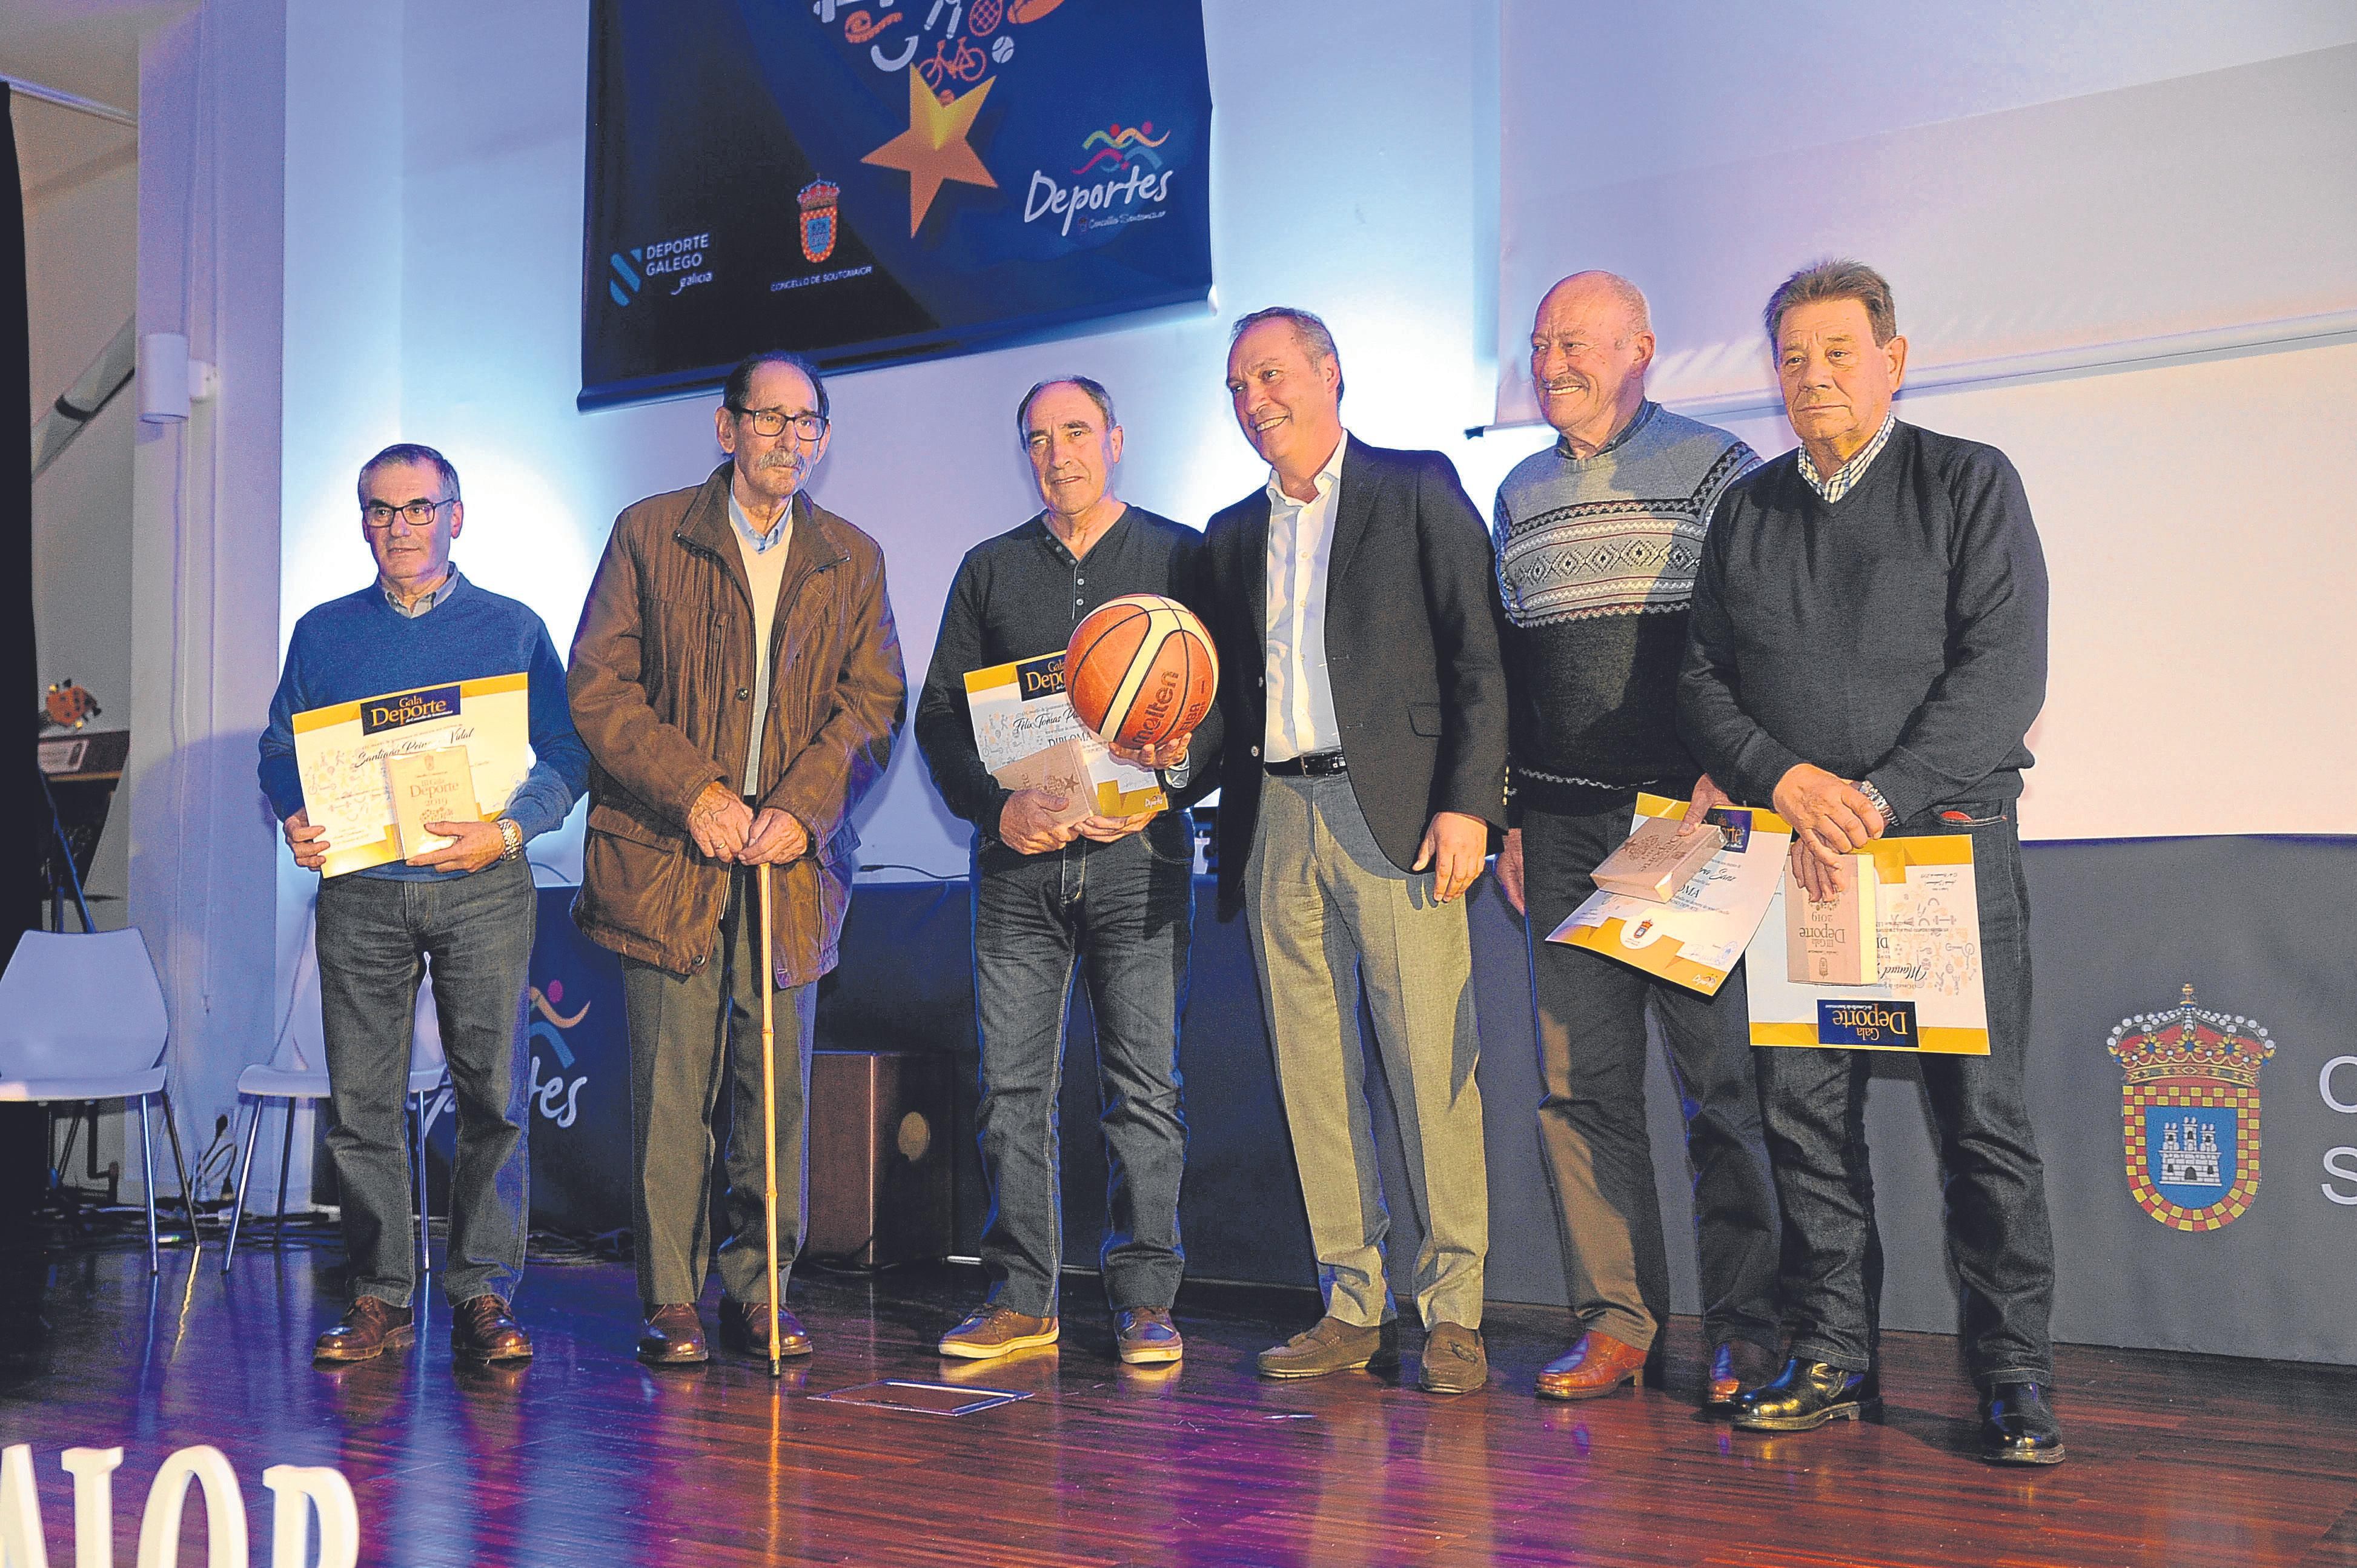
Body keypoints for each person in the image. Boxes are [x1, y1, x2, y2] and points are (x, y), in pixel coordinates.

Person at [1679, 259, 2064, 1464]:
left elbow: (2001, 674)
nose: (1811, 377)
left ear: (1892, 360)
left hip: (1939, 854)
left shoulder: (1966, 481)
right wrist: (1779, 777)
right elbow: (1697, 675)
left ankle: (2013, 1380)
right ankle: (1831, 1355)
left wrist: (1881, 796)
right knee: (1801, 1122)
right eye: (1792, 357)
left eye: (1837, 352)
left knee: (1982, 1128)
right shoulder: (1745, 512)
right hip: (1802, 864)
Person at [568, 350, 905, 1367]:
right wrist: (697, 793)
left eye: (807, 423)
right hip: (670, 856)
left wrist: (802, 810)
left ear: (824, 439)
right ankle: (672, 1296)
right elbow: (601, 690)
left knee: (777, 1090)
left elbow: (872, 703)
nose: (788, 439)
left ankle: (763, 1288)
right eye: (768, 418)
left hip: (788, 866)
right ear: (726, 429)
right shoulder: (649, 531)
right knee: (674, 1091)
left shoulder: (853, 554)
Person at [1197, 308, 1508, 1395]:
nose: (1254, 401)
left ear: (1332, 374)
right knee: (1313, 1075)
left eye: (1271, 375)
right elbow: (1215, 701)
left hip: (1403, 818)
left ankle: (1455, 1310)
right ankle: (1350, 1302)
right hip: (1274, 820)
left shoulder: (1417, 487)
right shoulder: (1229, 533)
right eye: (1237, 386)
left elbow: (1481, 656)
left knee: (1434, 1067)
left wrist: (1472, 805)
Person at [1490, 272, 1780, 1407]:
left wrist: (1734, 768)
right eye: (1541, 341)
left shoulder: (1718, 469)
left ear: (1643, 348)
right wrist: (1512, 811)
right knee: (1581, 1091)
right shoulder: (1514, 492)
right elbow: (1509, 674)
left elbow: (1758, 633)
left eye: (1579, 342)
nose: (1554, 359)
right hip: (1559, 829)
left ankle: (1748, 1330)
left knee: (1723, 1091)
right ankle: (1617, 1320)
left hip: (1685, 817)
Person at [259, 442, 589, 1366]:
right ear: (362, 520)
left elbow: (568, 754)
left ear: (456, 513)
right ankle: (380, 1297)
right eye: (378, 510)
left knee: (494, 1098)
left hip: (483, 890)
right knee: (362, 1107)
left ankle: (484, 1291)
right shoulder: (323, 633)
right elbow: (279, 745)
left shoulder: (513, 626)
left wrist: (512, 830)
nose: (397, 527)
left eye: (416, 508)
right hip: (360, 893)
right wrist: (294, 810)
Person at [914, 376, 1221, 1366]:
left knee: (1144, 1089)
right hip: (1016, 870)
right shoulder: (989, 570)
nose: (1059, 453)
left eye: (1077, 431)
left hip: (1139, 862)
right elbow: (939, 720)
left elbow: (1222, 712)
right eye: (1039, 439)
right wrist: (998, 807)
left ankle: (1145, 1300)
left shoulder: (1181, 556)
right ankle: (1021, 1298)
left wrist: (1175, 762)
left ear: (1117, 440)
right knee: (1010, 1089)